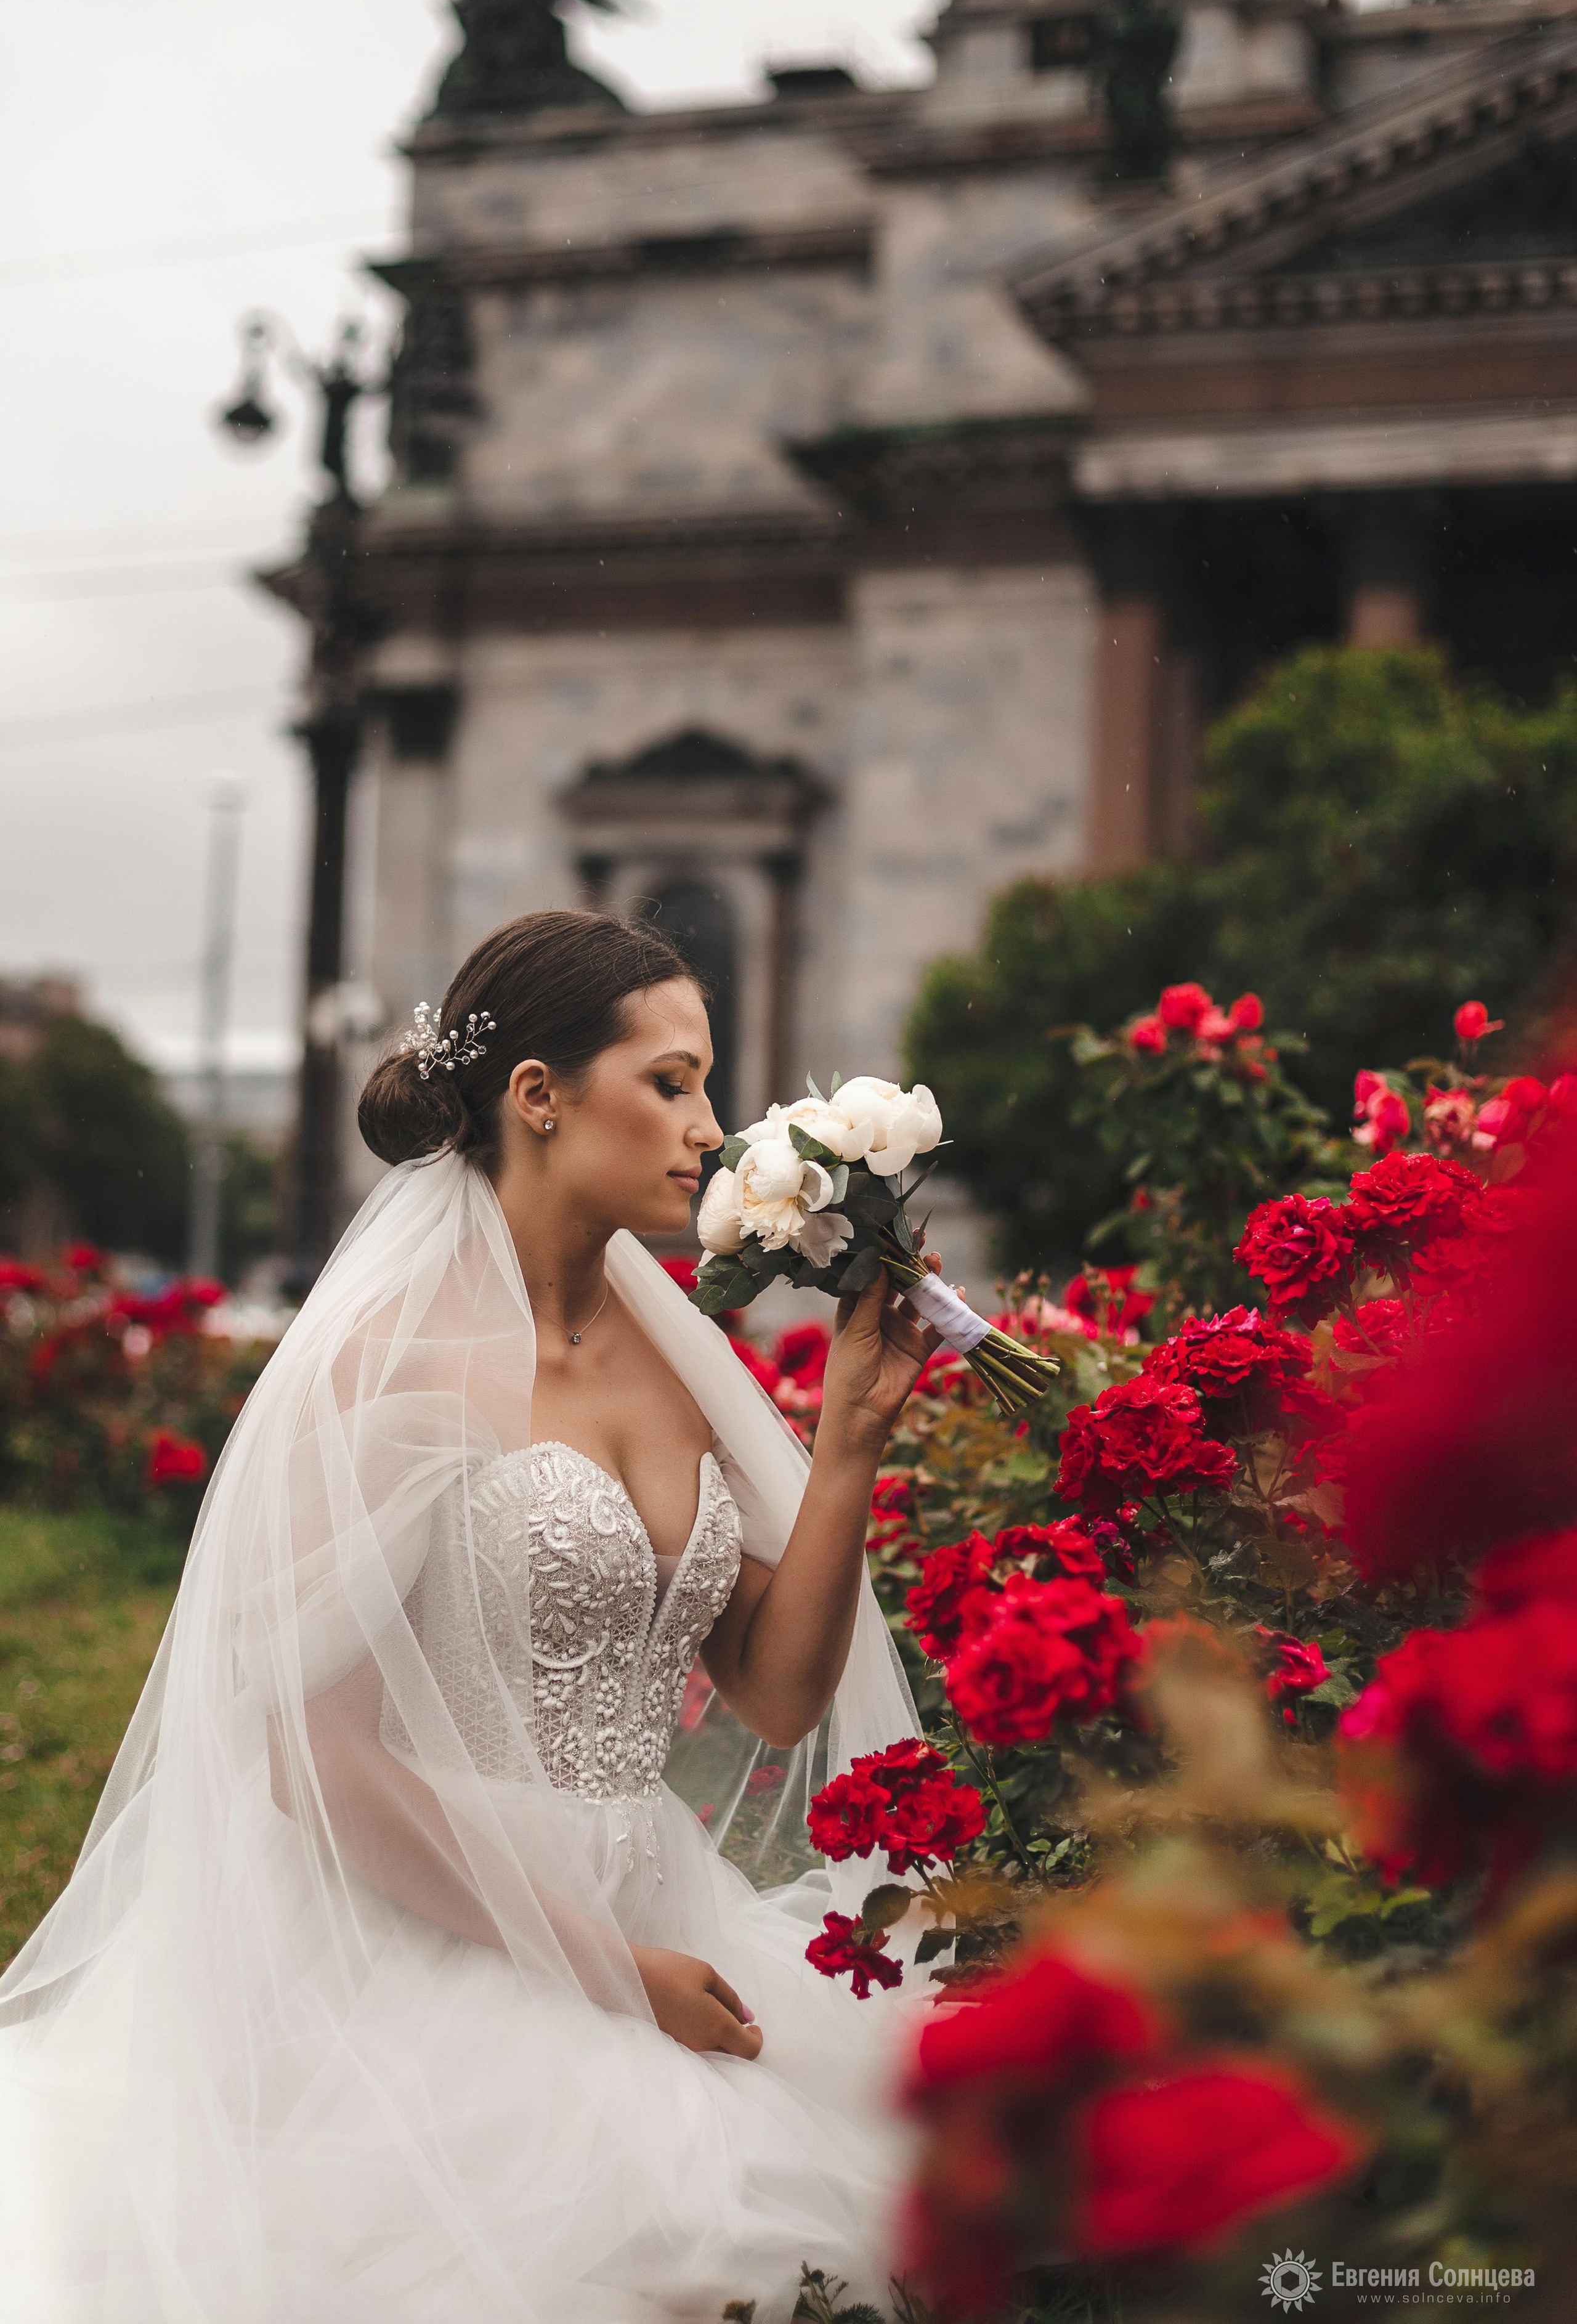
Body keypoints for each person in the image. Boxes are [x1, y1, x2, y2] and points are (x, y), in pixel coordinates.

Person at [0, 909, 946, 2323]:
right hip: (428, 1940)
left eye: (706, 1086)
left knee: (822, 2228)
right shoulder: (399, 1366)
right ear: (539, 1098)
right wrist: (608, 1978)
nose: (710, 1129)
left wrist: (852, 1446)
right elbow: (311, 1751)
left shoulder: (678, 1358)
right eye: (671, 1080)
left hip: (656, 1904)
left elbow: (772, 1692)